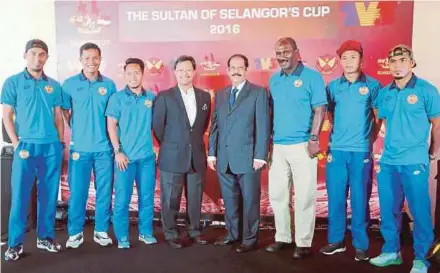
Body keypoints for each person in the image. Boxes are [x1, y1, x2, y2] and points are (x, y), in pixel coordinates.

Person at [370, 45, 439, 273]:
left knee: (419, 210)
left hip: (414, 161)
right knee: (389, 208)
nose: (397, 65)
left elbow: (437, 125)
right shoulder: (385, 93)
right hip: (389, 161)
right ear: (388, 65)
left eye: (402, 60)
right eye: (393, 61)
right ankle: (392, 251)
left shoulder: (426, 90)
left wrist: (434, 152)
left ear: (412, 63)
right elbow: (382, 122)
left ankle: (422, 258)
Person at [319, 40, 382, 261]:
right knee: (335, 197)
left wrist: (367, 141)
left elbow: (377, 118)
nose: (348, 62)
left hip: (360, 152)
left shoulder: (373, 85)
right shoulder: (333, 87)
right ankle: (336, 241)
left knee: (359, 198)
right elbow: (331, 115)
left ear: (361, 60)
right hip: (337, 150)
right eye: (344, 58)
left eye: (353, 57)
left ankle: (360, 244)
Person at [2, 39, 64, 260]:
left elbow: (58, 117)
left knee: (48, 195)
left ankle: (45, 237)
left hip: (50, 147)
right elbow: (6, 115)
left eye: (42, 54)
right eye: (34, 53)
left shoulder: (54, 85)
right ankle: (15, 244)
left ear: (46, 57)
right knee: (20, 196)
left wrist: (60, 142)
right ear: (26, 55)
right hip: (25, 147)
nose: (38, 58)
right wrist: (17, 143)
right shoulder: (13, 82)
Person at [265, 37, 327, 259]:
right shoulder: (274, 80)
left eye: (286, 51)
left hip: (303, 145)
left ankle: (303, 242)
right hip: (278, 146)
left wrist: (313, 139)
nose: (281, 56)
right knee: (277, 195)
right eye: (278, 52)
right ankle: (282, 237)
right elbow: (271, 114)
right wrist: (269, 145)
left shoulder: (312, 77)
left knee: (305, 196)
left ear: (297, 52)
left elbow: (320, 109)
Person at [208, 54, 270, 253]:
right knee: (230, 200)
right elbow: (215, 125)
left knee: (250, 201)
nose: (236, 70)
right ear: (227, 70)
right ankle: (233, 234)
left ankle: (250, 239)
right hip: (224, 158)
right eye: (232, 67)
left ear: (246, 69)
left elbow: (263, 126)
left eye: (240, 67)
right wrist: (212, 153)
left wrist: (260, 155)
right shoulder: (221, 94)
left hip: (249, 158)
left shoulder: (258, 93)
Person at [152, 55, 211, 249]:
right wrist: (173, 144)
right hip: (172, 155)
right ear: (175, 72)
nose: (185, 73)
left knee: (195, 197)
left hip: (196, 156)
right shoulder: (164, 97)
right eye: (180, 70)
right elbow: (158, 127)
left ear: (194, 72)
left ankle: (194, 231)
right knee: (170, 198)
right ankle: (170, 233)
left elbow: (201, 127)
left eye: (188, 70)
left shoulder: (204, 96)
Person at [62, 42, 117, 248]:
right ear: (80, 60)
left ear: (100, 59)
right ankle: (75, 232)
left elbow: (113, 117)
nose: (91, 62)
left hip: (104, 149)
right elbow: (65, 113)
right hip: (79, 150)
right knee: (78, 192)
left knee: (104, 191)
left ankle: (101, 231)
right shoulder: (69, 84)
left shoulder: (109, 85)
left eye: (95, 58)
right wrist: (78, 130)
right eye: (86, 58)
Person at [105, 58, 157, 249]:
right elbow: (111, 127)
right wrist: (118, 152)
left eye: (136, 72)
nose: (133, 77)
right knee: (122, 199)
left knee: (147, 197)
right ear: (124, 74)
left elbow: (158, 125)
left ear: (143, 74)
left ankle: (145, 233)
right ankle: (123, 237)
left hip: (146, 159)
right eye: (129, 73)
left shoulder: (151, 97)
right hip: (124, 159)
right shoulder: (116, 98)